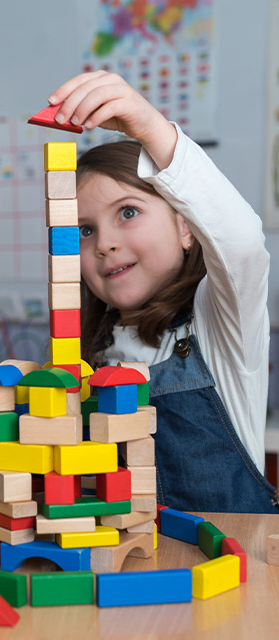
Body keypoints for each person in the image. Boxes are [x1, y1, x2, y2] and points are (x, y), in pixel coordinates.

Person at [47, 70, 278, 513]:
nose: (105, 243)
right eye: (84, 230)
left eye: (128, 212)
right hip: (122, 572)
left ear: (185, 227)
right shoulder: (86, 356)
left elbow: (243, 243)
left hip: (226, 575)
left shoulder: (220, 324)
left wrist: (149, 125)